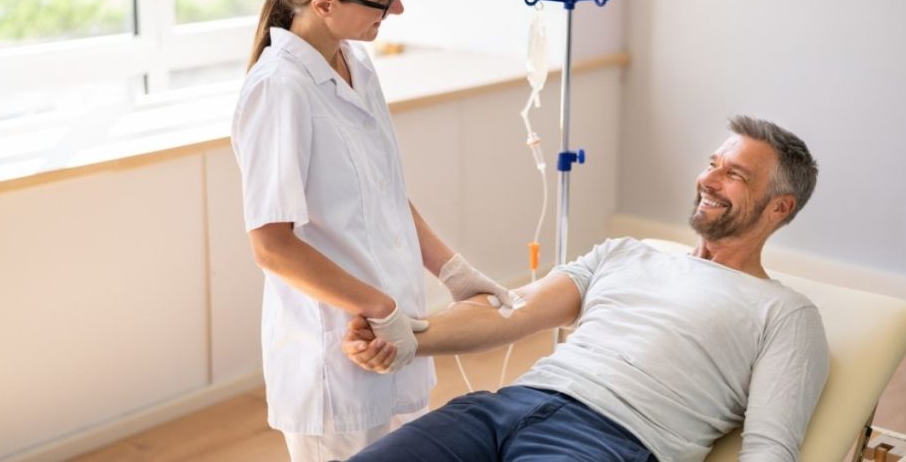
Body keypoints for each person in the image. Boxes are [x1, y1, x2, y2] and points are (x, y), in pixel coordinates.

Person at [342, 116, 830, 462]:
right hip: (501, 409)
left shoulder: (785, 313)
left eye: (734, 175)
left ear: (779, 208)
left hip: (608, 441)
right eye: (712, 163)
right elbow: (510, 312)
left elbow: (770, 447)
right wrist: (404, 336)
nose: (708, 179)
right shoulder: (625, 253)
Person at [229, 0, 518, 460]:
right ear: (325, 3)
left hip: (395, 335)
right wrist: (377, 307)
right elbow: (272, 245)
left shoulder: (355, 63)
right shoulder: (280, 89)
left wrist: (452, 270)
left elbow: (385, 193)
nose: (400, 7)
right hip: (339, 354)